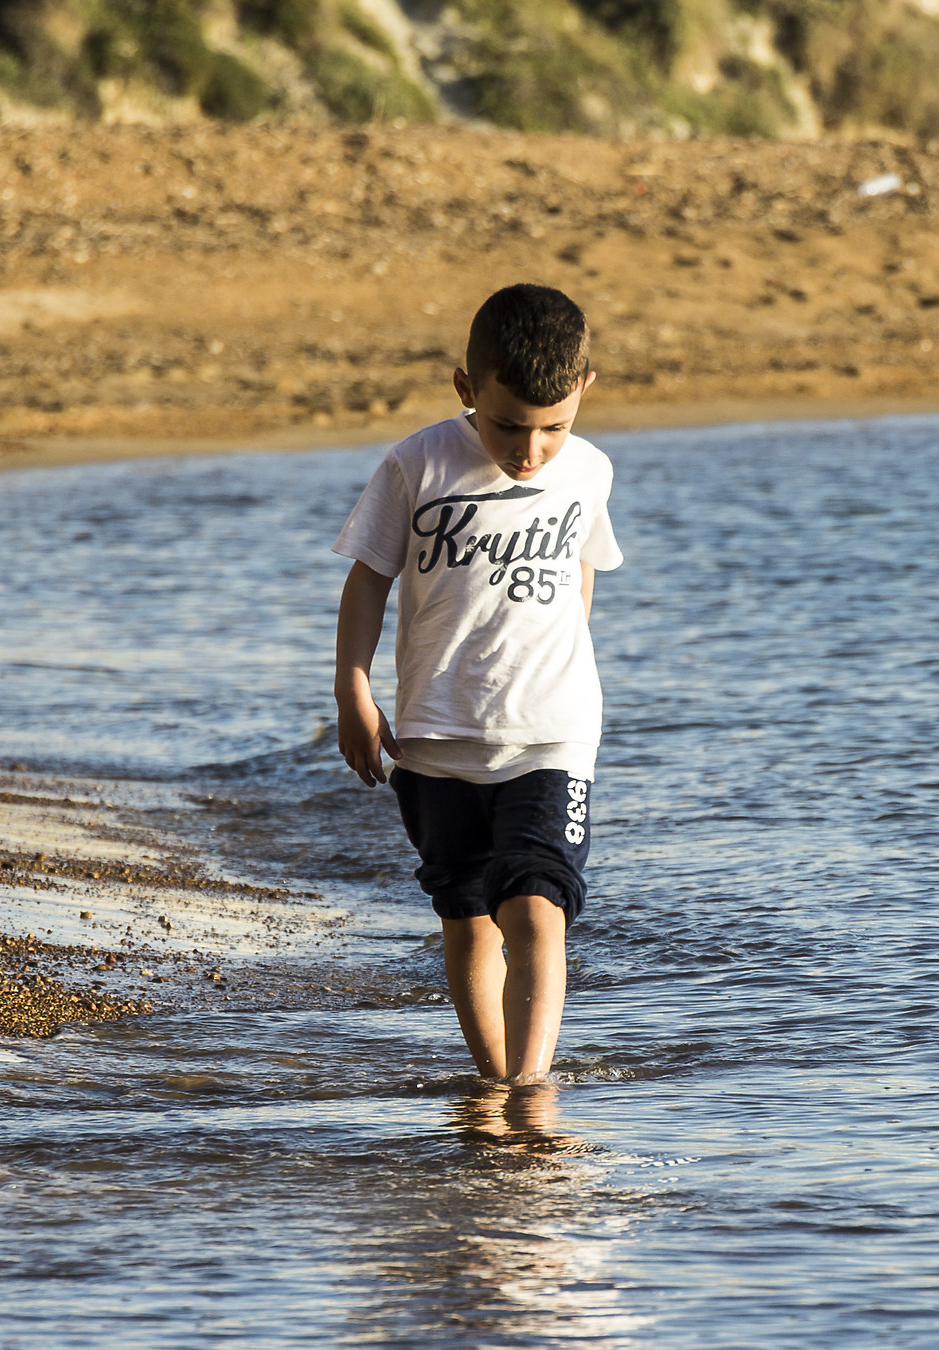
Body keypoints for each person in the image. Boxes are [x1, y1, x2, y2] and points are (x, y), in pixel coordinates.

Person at [331, 283, 622, 1086]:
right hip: (435, 737)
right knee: (466, 918)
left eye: (553, 427)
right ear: (466, 388)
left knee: (537, 908)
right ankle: (494, 1081)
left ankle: (528, 1092)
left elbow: (581, 573)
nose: (531, 451)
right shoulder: (418, 463)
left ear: (583, 390)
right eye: (508, 426)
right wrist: (353, 691)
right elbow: (368, 581)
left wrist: (561, 664)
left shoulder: (589, 471)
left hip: (551, 734)